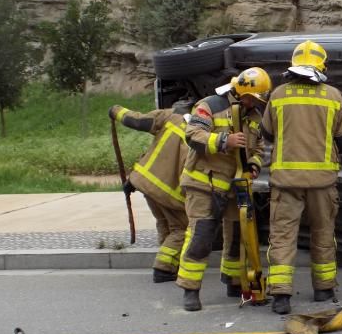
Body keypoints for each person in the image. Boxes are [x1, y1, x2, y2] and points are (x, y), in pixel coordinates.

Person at [261, 40, 342, 315]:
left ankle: (280, 296)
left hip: (285, 181)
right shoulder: (334, 96)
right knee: (323, 233)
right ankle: (323, 289)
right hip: (322, 182)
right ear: (322, 66)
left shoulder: (278, 95)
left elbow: (266, 134)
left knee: (282, 236)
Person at [176, 67, 270, 311]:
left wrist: (253, 166)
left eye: (258, 101)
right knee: (202, 236)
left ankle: (233, 281)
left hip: (234, 186)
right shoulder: (210, 105)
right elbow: (193, 135)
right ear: (240, 91)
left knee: (238, 237)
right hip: (203, 184)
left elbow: (259, 149)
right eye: (251, 98)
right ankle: (190, 289)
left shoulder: (254, 116)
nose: (254, 104)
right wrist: (223, 141)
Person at [109, 99, 191, 283]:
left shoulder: (168, 116)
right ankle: (164, 268)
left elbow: (137, 121)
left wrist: (116, 110)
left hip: (145, 182)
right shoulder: (199, 131)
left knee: (164, 222)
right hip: (169, 192)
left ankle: (168, 258)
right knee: (181, 228)